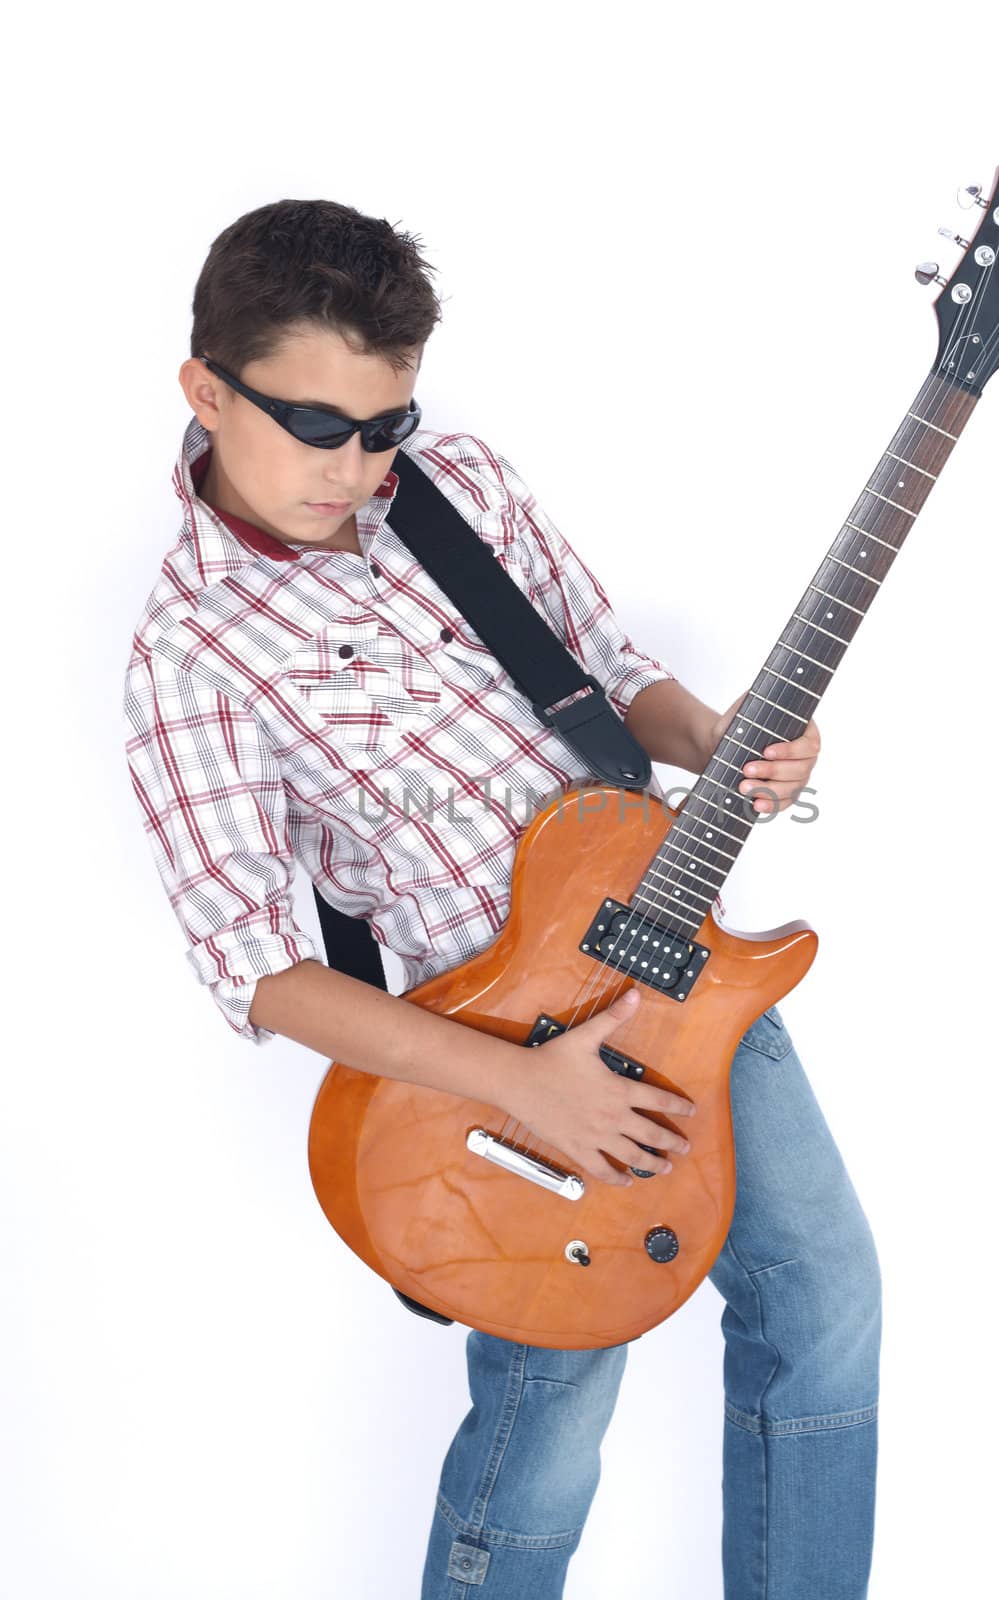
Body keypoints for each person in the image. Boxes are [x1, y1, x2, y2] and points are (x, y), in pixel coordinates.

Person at [122, 198, 881, 1598]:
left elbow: (602, 664)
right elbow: (258, 970)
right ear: (205, 389)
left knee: (825, 1305)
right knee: (552, 1411)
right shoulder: (192, 650)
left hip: (680, 978)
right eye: (312, 425)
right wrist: (531, 1093)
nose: (352, 469)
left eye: (382, 427)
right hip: (494, 1077)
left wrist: (716, 740)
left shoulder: (455, 484)